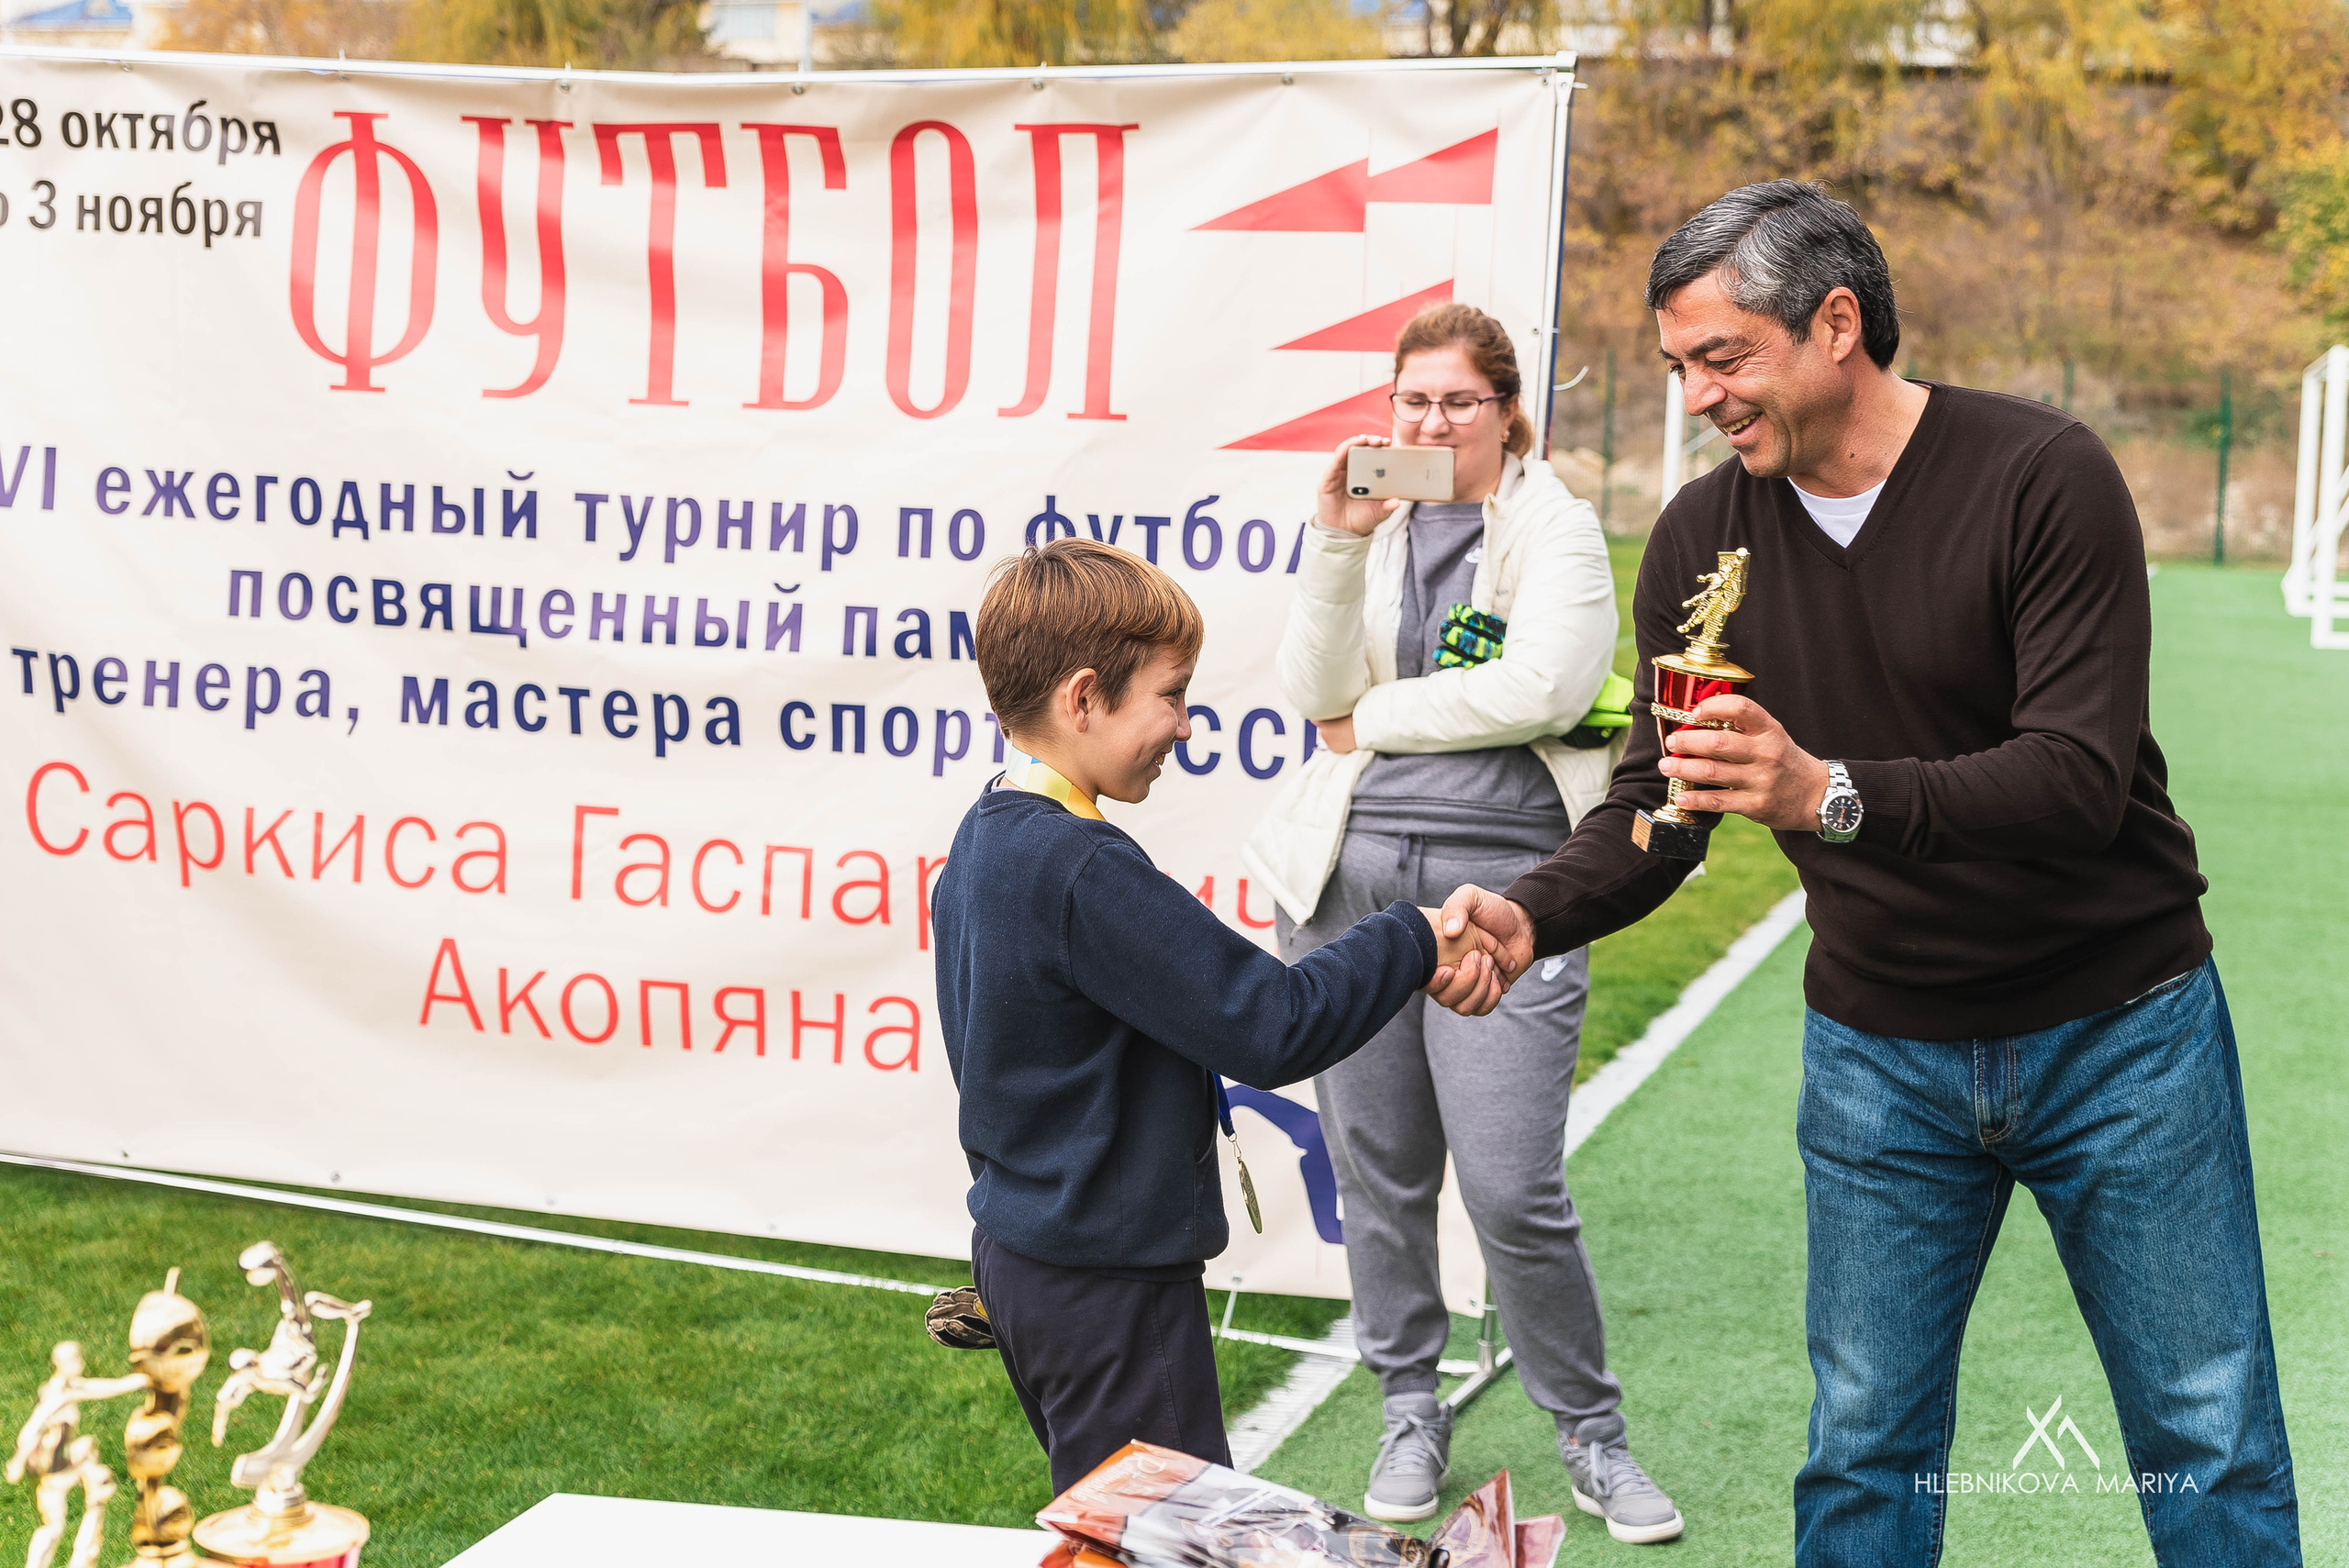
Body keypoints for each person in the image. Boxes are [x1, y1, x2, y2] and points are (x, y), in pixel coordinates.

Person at [1432, 181, 2301, 1564]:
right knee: (1865, 1452)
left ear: (1837, 323)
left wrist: (1826, 793)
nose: (1700, 396)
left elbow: (2076, 782)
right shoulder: (1698, 542)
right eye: (1679, 366)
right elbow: (1667, 800)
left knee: (2208, 1437)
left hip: (2124, 1037)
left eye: (1726, 357)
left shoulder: (2042, 475)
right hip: (1878, 1059)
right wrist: (1533, 910)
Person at [1241, 302, 1683, 1544]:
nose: (1431, 424)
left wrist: (1377, 721)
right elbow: (1309, 688)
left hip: (1508, 895)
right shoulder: (1370, 525)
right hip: (1348, 884)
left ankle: (1591, 1433)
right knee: (1379, 1172)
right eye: (1412, 402)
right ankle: (1408, 1401)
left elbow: (1541, 683)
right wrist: (1335, 541)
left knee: (1508, 1186)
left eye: (1458, 403)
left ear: (1505, 414)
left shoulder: (1559, 525)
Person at [931, 538, 1502, 1495]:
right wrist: (1407, 935)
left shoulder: (989, 830)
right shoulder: (1081, 866)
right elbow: (1270, 1023)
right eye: (1170, 694)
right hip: (1105, 1285)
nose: (1186, 725)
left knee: (1118, 1527)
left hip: (1032, 1259)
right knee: (1163, 1541)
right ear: (1082, 698)